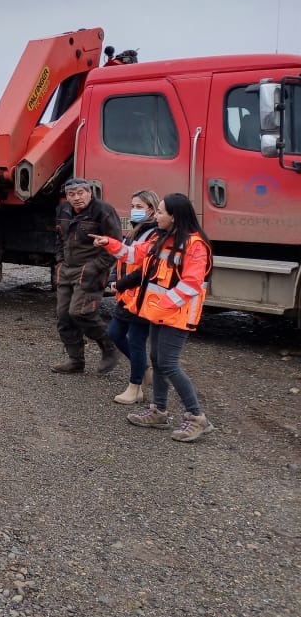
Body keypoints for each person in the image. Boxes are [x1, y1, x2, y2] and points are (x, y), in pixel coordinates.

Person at [92, 193, 215, 442]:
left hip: (176, 317)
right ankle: (159, 411)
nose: (155, 216)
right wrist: (109, 242)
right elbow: (133, 255)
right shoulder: (161, 239)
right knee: (158, 361)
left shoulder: (195, 245)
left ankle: (197, 417)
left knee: (168, 364)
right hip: (160, 314)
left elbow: (192, 284)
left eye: (159, 212)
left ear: (174, 216)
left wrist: (163, 305)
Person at [50, 178, 122, 375]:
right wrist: (59, 260)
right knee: (63, 315)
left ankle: (109, 347)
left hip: (90, 269)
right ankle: (75, 361)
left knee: (80, 312)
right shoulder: (63, 211)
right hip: (67, 268)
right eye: (71, 194)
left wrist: (95, 268)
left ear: (90, 192)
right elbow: (59, 237)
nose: (76, 198)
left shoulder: (103, 211)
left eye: (80, 193)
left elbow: (115, 244)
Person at [105, 189, 160, 404]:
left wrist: (120, 284)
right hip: (127, 296)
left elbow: (143, 270)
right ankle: (144, 369)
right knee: (114, 334)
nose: (134, 211)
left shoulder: (155, 235)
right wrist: (113, 279)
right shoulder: (135, 232)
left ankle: (134, 387)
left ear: (153, 210)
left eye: (139, 207)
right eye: (133, 206)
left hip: (141, 297)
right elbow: (122, 259)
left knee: (136, 343)